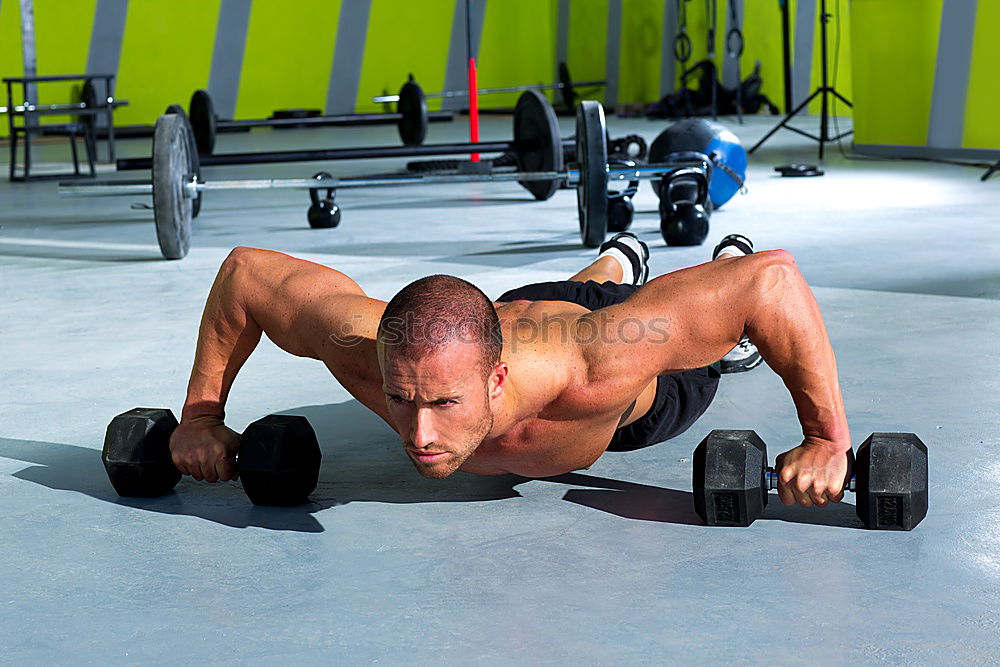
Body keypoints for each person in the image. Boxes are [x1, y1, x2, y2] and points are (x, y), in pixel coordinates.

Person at [169, 233, 852, 509]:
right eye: (402, 399)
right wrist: (202, 416)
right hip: (518, 312)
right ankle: (615, 256)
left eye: (443, 402)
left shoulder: (598, 364)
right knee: (570, 292)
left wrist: (826, 439)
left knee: (708, 330)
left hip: (631, 392)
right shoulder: (361, 344)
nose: (418, 430)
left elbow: (772, 284)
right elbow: (246, 275)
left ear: (496, 381)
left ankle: (711, 254)